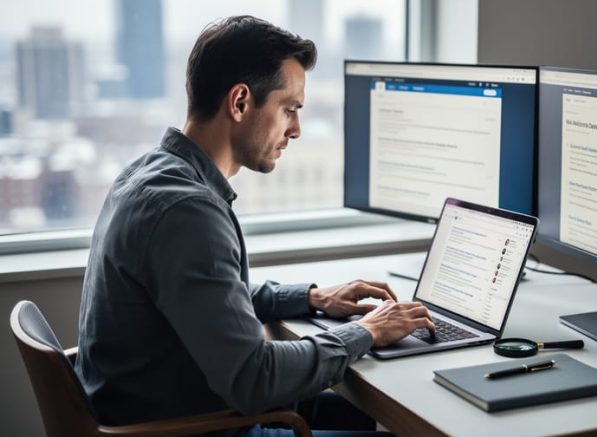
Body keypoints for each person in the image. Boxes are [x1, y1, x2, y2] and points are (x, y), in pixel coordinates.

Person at [74, 16, 435, 437]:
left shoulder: (150, 174)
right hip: (188, 425)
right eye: (290, 109)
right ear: (241, 102)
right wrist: (366, 331)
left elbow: (204, 298)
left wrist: (311, 298)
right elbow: (254, 380)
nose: (296, 130)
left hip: (166, 405)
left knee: (362, 416)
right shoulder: (187, 212)